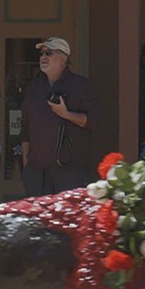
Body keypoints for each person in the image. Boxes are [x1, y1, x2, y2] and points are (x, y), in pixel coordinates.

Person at [20, 37, 96, 195]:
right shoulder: (34, 86)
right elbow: (25, 125)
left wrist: (66, 114)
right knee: (37, 218)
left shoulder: (80, 85)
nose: (43, 57)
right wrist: (26, 159)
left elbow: (92, 121)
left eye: (49, 53)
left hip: (70, 171)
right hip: (36, 171)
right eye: (41, 53)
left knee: (67, 218)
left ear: (63, 59)